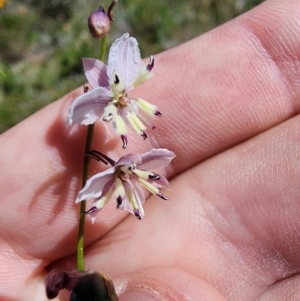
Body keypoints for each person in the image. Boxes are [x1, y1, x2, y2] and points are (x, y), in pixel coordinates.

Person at [1, 0, 300, 300]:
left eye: (124, 98)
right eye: (119, 99)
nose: (123, 102)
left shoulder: (119, 110)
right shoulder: (96, 101)